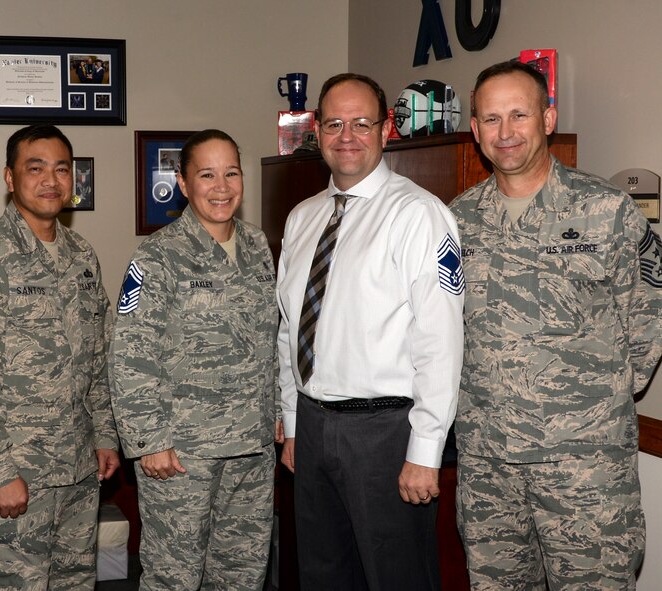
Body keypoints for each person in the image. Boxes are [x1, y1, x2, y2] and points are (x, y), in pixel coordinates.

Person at [451, 60, 662, 590]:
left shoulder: (607, 210)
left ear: (547, 118)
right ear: (475, 130)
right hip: (489, 469)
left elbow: (648, 314)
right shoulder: (454, 222)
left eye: (519, 115)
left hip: (585, 468)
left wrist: (590, 404)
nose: (505, 133)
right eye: (491, 119)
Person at [276, 73, 464, 590]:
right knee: (322, 575)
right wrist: (292, 423)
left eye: (362, 123)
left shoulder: (419, 216)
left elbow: (441, 344)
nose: (347, 136)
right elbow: (289, 330)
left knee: (396, 577)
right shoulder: (302, 218)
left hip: (385, 434)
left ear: (386, 131)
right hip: (313, 429)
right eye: (334, 123)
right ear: (316, 130)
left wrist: (425, 452)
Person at [0, 124, 120, 589]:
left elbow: (97, 358)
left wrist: (104, 435)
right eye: (34, 168)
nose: (51, 181)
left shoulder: (81, 255)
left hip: (78, 472)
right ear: (9, 177)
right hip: (15, 475)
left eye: (62, 169)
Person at [110, 129, 277, 590]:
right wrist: (148, 441)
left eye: (231, 173)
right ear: (183, 183)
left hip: (252, 446)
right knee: (174, 578)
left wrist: (277, 412)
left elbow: (270, 338)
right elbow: (130, 352)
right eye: (207, 174)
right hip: (183, 452)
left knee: (242, 573)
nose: (221, 186)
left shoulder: (258, 247)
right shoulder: (157, 256)